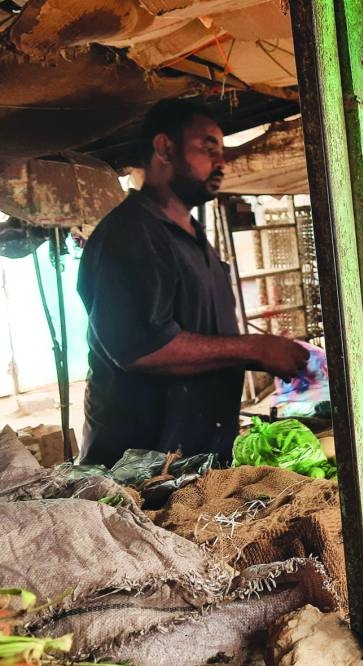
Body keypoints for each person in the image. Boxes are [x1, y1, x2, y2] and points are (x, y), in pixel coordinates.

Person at [77, 99, 309, 467]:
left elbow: (204, 337)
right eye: (208, 147)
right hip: (138, 470)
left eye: (222, 150)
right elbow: (144, 349)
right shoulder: (131, 234)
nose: (222, 162)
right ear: (164, 149)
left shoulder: (194, 236)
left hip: (193, 459)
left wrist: (268, 353)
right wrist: (254, 348)